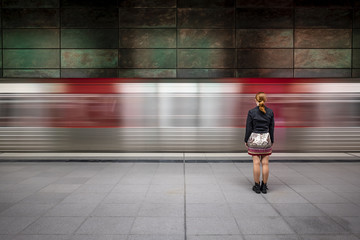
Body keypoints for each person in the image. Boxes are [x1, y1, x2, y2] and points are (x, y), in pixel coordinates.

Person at [244, 92, 274, 194]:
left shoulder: (251, 112)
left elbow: (249, 127)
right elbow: (271, 128)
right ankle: (264, 187)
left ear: (255, 100)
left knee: (256, 163)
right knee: (265, 163)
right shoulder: (270, 112)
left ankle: (257, 187)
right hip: (266, 139)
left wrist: (246, 140)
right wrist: (272, 140)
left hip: (255, 139)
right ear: (265, 100)